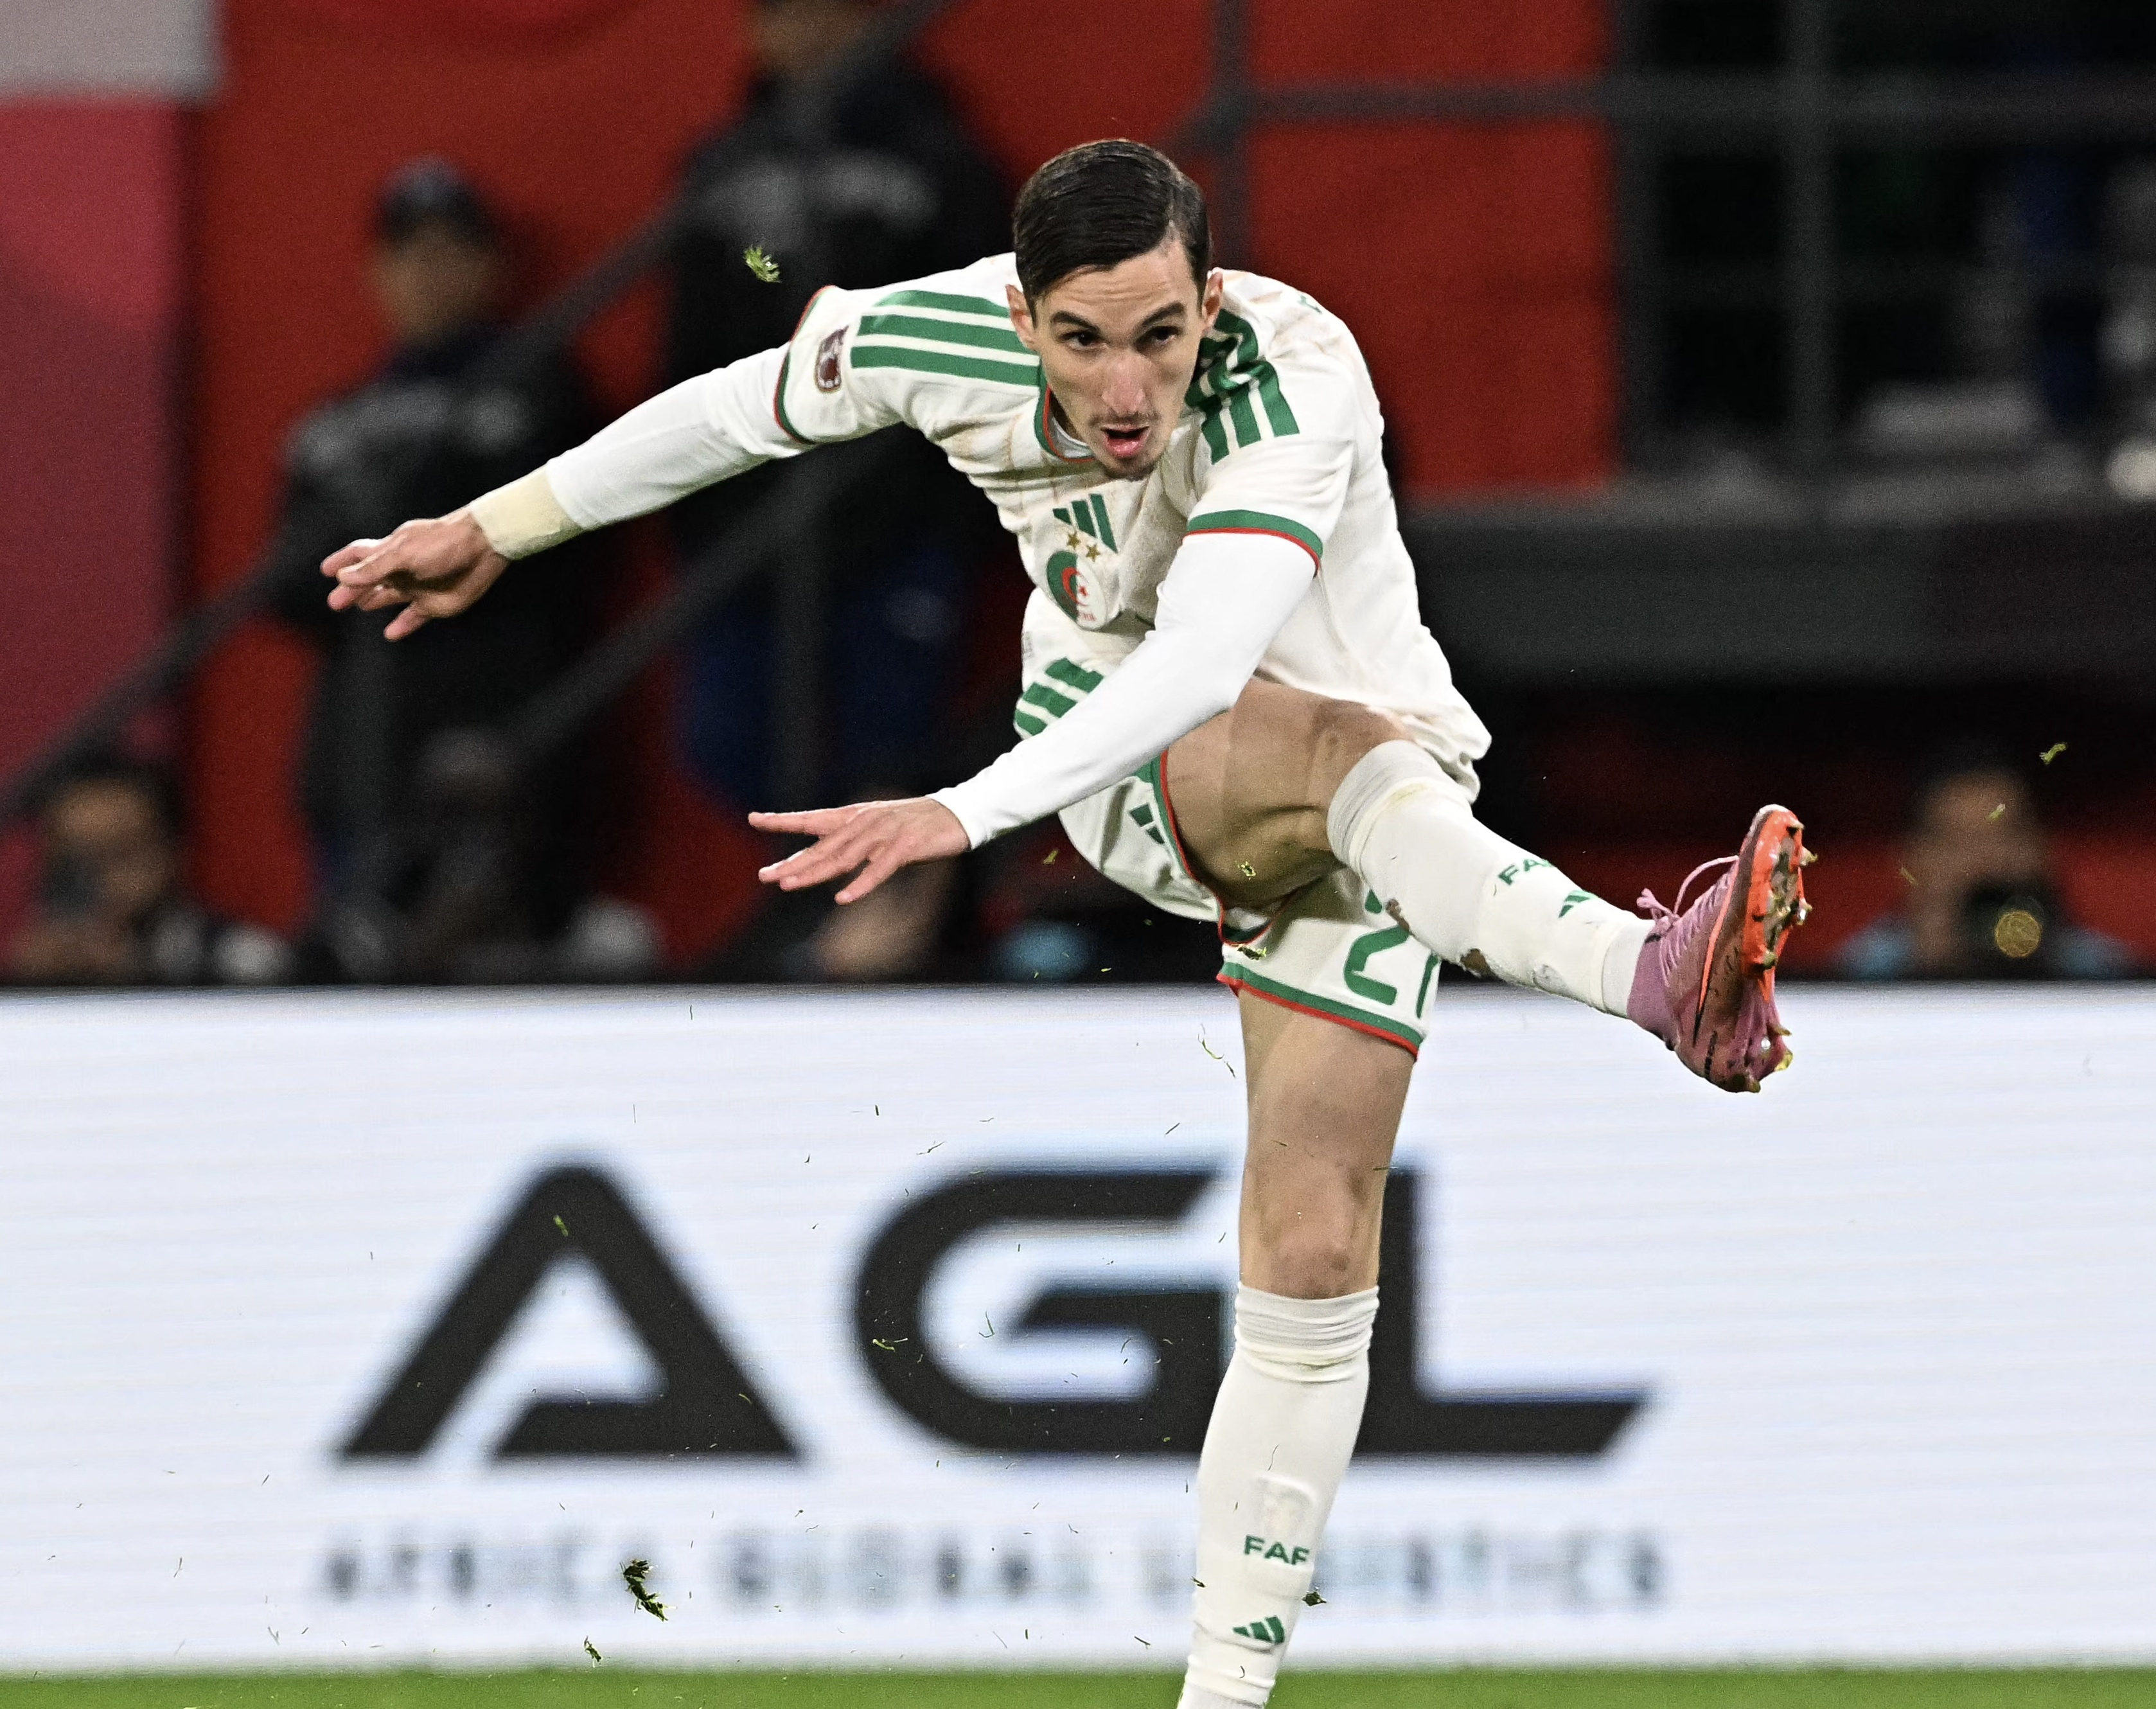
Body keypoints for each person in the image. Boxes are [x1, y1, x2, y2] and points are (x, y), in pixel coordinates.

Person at [321, 141, 1807, 1707]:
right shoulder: (932, 335)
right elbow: (738, 408)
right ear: (1022, 316)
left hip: (1382, 820)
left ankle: (1219, 1697)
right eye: (1083, 339)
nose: (1124, 386)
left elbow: (1213, 651)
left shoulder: (1294, 377)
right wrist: (501, 524)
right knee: (1338, 756)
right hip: (1128, 758)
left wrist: (958, 811)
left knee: (1311, 1253)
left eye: (1159, 335)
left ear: (1208, 305)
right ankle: (1647, 971)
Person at [662, 0, 1012, 809]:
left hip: (899, 510)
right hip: (753, 515)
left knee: (892, 748)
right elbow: (702, 327)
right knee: (726, 742)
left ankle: (879, 881)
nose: (805, 32)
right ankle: (835, 881)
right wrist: (688, 503)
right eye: (781, 14)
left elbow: (987, 339)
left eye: (827, 10)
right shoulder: (721, 167)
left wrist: (959, 508)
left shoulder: (941, 157)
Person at [259, 159, 606, 972]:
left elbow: (558, 547)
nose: (428, 273)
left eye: (452, 251)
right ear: (377, 272)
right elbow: (289, 583)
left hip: (499, 724)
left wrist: (390, 541)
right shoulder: (331, 422)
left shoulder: (539, 386)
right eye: (408, 254)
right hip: (358, 740)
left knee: (490, 965)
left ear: (491, 267)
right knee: (350, 966)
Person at [1834, 752, 2128, 978]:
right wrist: (1927, 971)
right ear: (1912, 859)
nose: (1982, 865)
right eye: (1957, 843)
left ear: (2041, 850)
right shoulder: (1859, 976)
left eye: (2003, 838)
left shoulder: (2104, 975)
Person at [10, 755, 289, 986]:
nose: (95, 880)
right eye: (71, 861)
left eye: (120, 854)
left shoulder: (242, 960)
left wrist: (133, 980)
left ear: (172, 854)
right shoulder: (34, 965)